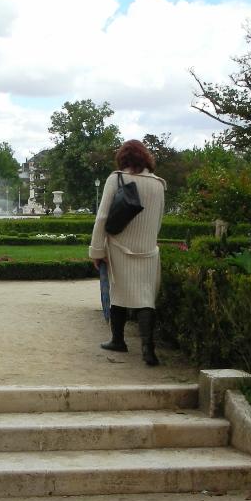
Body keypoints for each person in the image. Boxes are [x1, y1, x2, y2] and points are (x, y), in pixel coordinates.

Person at [89, 139, 167, 366]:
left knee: (117, 292)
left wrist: (96, 249)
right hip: (148, 250)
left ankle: (118, 340)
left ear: (123, 159)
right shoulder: (159, 184)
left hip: (119, 247)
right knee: (146, 299)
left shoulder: (116, 179)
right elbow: (159, 219)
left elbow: (102, 217)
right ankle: (148, 348)